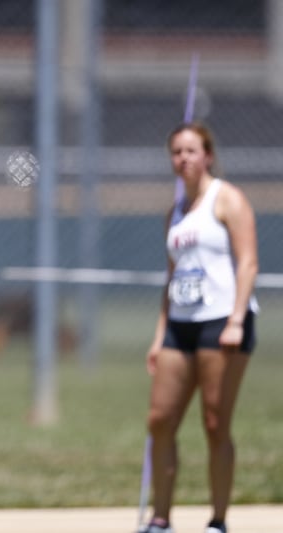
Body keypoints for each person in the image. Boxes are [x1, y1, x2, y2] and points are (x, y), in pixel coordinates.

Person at [139, 122, 259, 533]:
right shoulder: (174, 212)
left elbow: (248, 262)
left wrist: (237, 319)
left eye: (191, 151)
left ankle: (218, 519)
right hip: (180, 323)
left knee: (214, 422)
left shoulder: (227, 199)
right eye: (176, 152)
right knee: (160, 420)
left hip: (221, 322)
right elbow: (171, 279)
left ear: (207, 155)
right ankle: (161, 518)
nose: (183, 159)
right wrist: (159, 336)